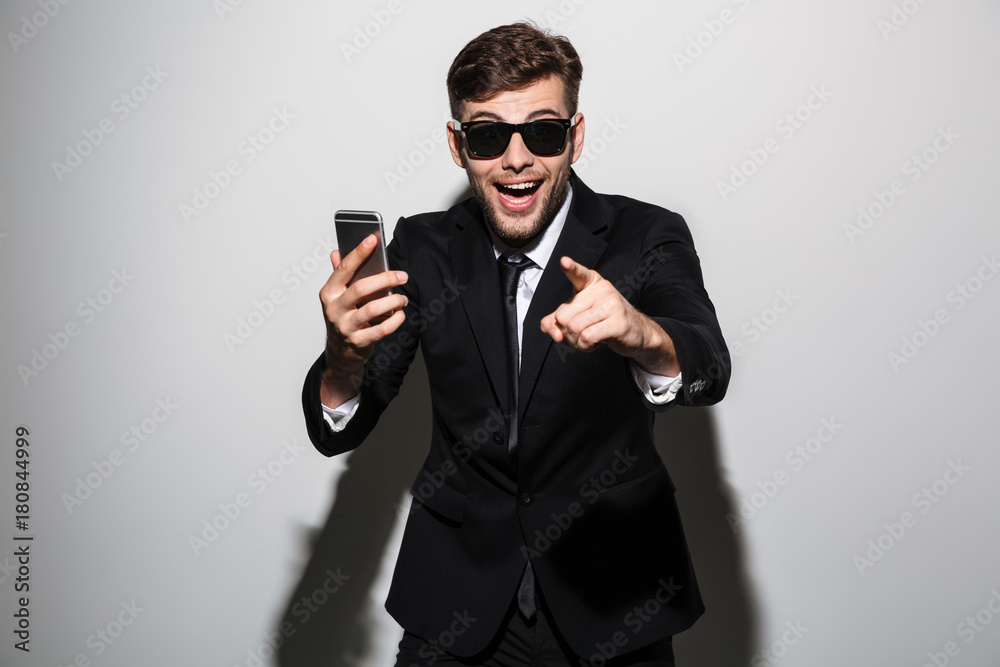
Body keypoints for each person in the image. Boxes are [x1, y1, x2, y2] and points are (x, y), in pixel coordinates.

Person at [302, 22, 730, 666]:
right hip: (456, 606)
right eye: (488, 135)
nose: (517, 157)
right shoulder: (422, 251)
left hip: (614, 600)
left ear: (575, 137)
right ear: (457, 146)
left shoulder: (645, 235)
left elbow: (708, 365)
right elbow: (339, 427)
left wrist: (643, 335)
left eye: (543, 131)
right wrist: (344, 357)